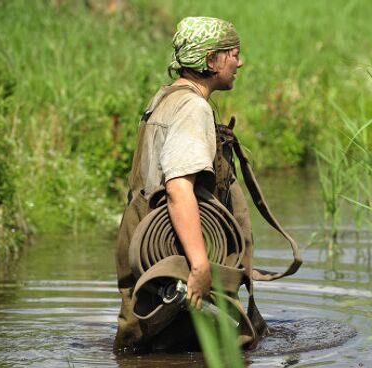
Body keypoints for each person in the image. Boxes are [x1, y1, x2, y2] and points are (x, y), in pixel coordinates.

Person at [113, 16, 256, 352]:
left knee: (146, 340)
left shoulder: (165, 97)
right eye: (233, 53)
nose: (240, 62)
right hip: (173, 246)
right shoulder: (193, 107)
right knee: (208, 344)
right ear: (211, 60)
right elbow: (178, 188)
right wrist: (200, 264)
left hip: (143, 238)